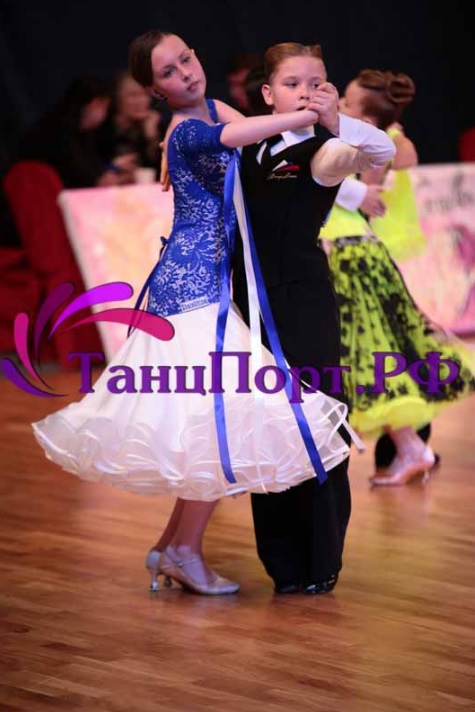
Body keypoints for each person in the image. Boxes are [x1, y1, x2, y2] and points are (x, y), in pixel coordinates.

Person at [31, 31, 361, 596]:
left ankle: (174, 547)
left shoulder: (213, 107)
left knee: (216, 417)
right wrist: (312, 112)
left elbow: (263, 148)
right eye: (168, 71)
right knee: (216, 419)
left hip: (216, 280)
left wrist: (340, 163)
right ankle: (181, 549)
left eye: (186, 58)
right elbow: (248, 134)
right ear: (155, 90)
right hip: (191, 284)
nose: (185, 72)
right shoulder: (186, 128)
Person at [231, 42, 396, 595]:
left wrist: (336, 119)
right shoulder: (251, 142)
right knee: (266, 425)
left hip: (301, 304)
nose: (306, 91)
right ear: (267, 93)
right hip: (249, 305)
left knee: (317, 422)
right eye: (293, 82)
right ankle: (281, 562)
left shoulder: (324, 151)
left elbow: (377, 150)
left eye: (317, 82)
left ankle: (321, 560)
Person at [320, 68, 475, 486]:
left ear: (366, 118)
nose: (339, 105)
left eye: (347, 102)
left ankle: (410, 446)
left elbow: (364, 197)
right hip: (362, 251)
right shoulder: (366, 143)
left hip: (359, 253)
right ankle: (409, 447)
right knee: (382, 350)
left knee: (377, 352)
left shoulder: (371, 147)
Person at [17, 75, 137, 189]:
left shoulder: (80, 132)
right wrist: (113, 168)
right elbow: (88, 180)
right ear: (95, 104)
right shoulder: (59, 134)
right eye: (105, 107)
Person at [95, 70, 165, 181]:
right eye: (133, 95)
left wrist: (151, 137)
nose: (141, 101)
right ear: (117, 99)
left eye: (145, 94)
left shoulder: (156, 126)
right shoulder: (100, 129)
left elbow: (162, 173)